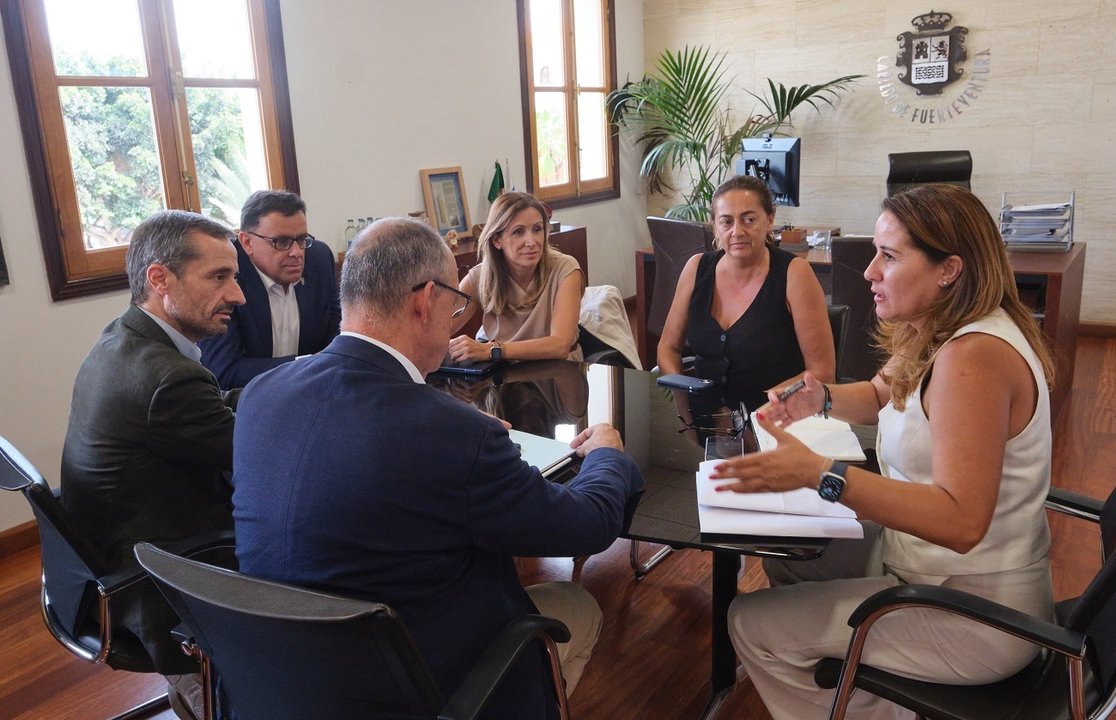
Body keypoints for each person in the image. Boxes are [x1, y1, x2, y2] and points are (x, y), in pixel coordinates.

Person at [232, 218, 643, 719]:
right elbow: (587, 526)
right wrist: (605, 453)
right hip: (415, 686)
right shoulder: (450, 433)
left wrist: (459, 432)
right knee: (578, 605)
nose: (457, 313)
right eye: (455, 298)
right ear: (425, 299)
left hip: (281, 679)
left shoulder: (260, 396)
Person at [710, 184, 1056, 720]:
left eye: (888, 257)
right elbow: (877, 394)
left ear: (949, 269)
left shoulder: (973, 359)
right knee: (790, 557)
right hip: (927, 566)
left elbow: (962, 521)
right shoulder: (940, 328)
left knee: (750, 624)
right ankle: (863, 694)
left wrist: (820, 474)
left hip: (978, 611)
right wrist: (817, 398)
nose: (869, 271)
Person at [61, 209, 246, 719]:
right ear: (159, 279)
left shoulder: (125, 338)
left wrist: (282, 390)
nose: (238, 295)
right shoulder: (165, 378)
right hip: (157, 590)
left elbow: (214, 407)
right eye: (219, 277)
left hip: (114, 562)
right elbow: (259, 457)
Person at [657, 175, 835, 413]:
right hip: (703, 418)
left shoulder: (795, 273)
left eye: (749, 220)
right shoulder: (696, 268)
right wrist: (683, 400)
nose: (737, 231)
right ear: (715, 226)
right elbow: (668, 348)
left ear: (769, 220)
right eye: (726, 222)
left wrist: (768, 409)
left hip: (775, 418)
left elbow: (822, 372)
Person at [199, 189, 341, 389]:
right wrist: (310, 364)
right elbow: (226, 372)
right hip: (244, 405)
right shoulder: (224, 276)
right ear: (247, 242)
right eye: (281, 242)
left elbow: (336, 337)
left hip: (314, 393)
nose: (296, 253)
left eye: (301, 239)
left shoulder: (318, 259)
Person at [448, 191, 584, 362]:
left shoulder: (565, 269)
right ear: (497, 240)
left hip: (558, 370)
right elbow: (440, 329)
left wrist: (492, 350)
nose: (531, 241)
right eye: (518, 232)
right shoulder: (478, 277)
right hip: (503, 372)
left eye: (537, 229)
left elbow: (560, 345)